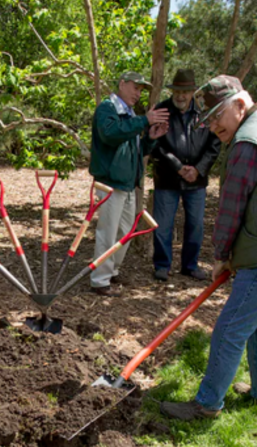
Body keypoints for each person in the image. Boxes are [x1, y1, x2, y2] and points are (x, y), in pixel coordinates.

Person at [158, 76, 257, 421]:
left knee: (230, 329)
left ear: (241, 105)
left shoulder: (248, 144)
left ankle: (207, 404)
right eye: (209, 119)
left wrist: (220, 255)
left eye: (218, 116)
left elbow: (232, 209)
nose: (213, 126)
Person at [88, 71, 169, 296]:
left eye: (142, 90)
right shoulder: (108, 109)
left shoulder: (129, 114)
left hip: (128, 184)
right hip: (110, 184)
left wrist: (150, 139)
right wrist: (144, 121)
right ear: (122, 84)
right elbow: (110, 135)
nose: (138, 93)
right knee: (108, 232)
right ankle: (100, 280)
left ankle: (111, 271)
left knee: (124, 232)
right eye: (135, 87)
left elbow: (135, 150)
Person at [149, 68, 223, 282]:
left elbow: (214, 144)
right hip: (167, 178)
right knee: (162, 225)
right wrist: (178, 167)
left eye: (186, 91)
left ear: (193, 92)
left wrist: (198, 169)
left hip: (196, 181)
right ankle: (162, 266)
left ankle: (190, 266)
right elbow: (155, 146)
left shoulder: (204, 113)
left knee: (196, 224)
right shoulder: (162, 111)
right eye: (177, 91)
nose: (181, 96)